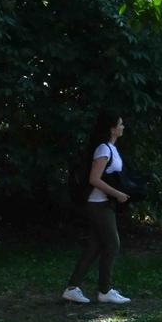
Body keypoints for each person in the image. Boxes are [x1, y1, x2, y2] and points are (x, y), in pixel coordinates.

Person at [63, 111, 132, 305]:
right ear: (111, 128)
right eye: (120, 123)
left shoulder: (111, 148)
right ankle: (105, 290)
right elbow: (94, 179)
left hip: (103, 203)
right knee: (112, 244)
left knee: (94, 246)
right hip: (98, 204)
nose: (123, 127)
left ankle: (72, 288)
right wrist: (117, 194)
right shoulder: (103, 149)